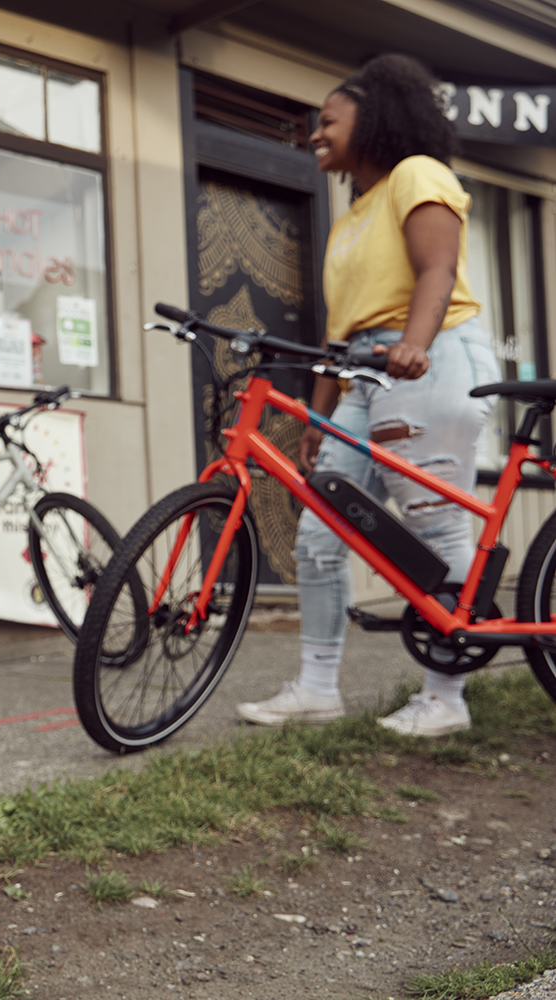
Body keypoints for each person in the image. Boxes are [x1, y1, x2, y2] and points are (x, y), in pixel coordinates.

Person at [235, 54, 500, 737]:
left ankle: (447, 696)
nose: (316, 132)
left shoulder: (417, 175)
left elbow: (437, 268)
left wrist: (413, 344)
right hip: (364, 372)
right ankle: (319, 688)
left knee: (435, 525)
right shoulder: (349, 216)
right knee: (321, 535)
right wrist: (319, 417)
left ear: (373, 119)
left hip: (430, 356)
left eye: (328, 121)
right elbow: (340, 330)